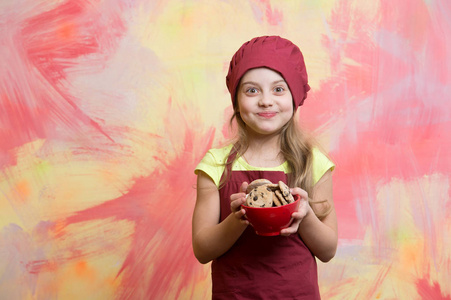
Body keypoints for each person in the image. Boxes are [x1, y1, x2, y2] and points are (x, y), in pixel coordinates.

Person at [192, 36, 338, 299]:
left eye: (279, 89)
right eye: (252, 90)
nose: (266, 101)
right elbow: (202, 250)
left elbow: (328, 250)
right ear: (236, 100)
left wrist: (305, 216)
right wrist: (238, 219)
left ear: (295, 96)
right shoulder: (214, 164)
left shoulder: (313, 162)